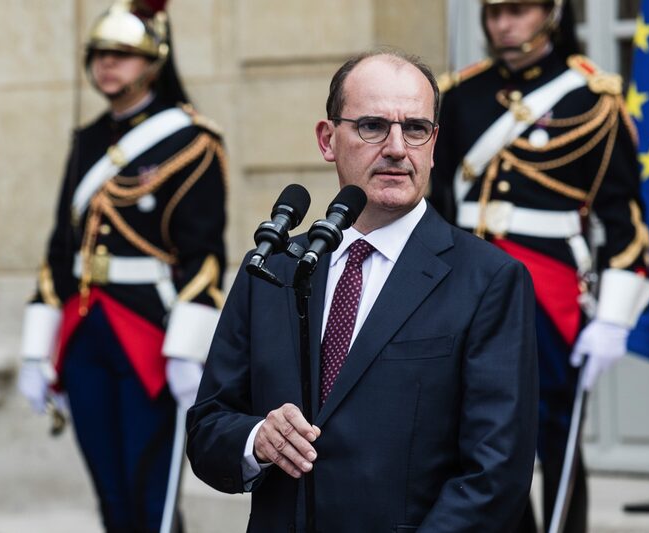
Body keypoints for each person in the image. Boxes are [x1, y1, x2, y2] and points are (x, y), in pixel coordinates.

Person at [186, 50, 538, 532]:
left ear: (434, 144)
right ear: (327, 140)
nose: (396, 147)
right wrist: (257, 440)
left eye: (415, 128)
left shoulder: (487, 280)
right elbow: (208, 429)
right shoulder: (274, 269)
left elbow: (495, 478)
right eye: (372, 126)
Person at [430, 1, 649, 532]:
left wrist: (613, 317)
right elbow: (436, 204)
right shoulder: (459, 95)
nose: (503, 24)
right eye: (493, 13)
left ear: (551, 13)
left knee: (557, 434)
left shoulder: (591, 98)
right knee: (476, 435)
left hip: (548, 291)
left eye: (517, 10)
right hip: (466, 284)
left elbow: (622, 218)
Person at [17, 0, 227, 530]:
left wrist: (186, 348)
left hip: (150, 333)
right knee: (110, 494)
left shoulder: (192, 140)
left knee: (151, 496)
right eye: (99, 54)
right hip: (85, 332)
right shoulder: (88, 139)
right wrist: (37, 345)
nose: (107, 64)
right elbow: (61, 248)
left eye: (123, 54)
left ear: (154, 63)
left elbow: (203, 254)